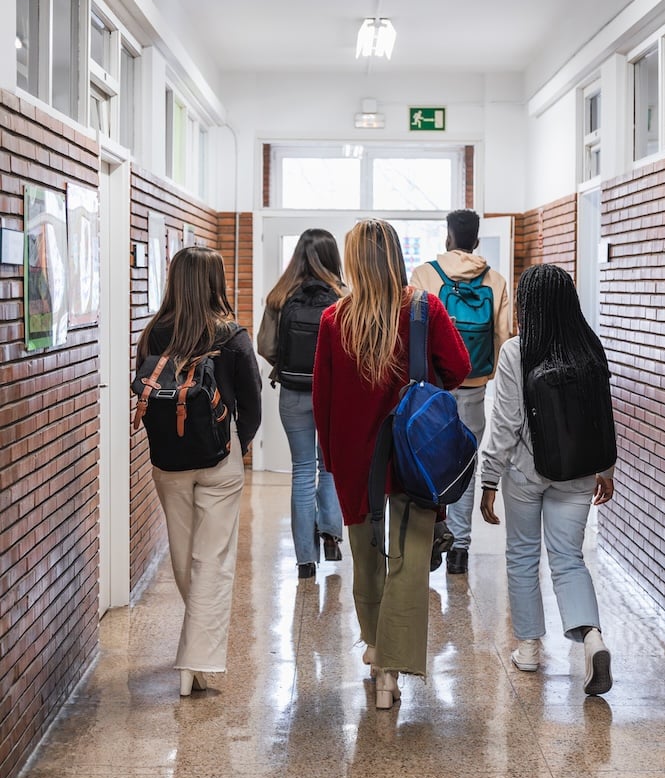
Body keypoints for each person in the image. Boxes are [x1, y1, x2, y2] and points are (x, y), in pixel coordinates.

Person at [312, 219, 470, 709]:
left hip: (357, 456)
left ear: (355, 261)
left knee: (366, 559)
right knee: (409, 560)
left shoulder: (335, 319)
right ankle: (390, 676)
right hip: (414, 454)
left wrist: (333, 458)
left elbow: (322, 401)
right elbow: (461, 367)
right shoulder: (424, 308)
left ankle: (376, 647)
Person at [479, 264, 615, 697]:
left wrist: (488, 478)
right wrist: (606, 470)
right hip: (577, 472)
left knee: (522, 555)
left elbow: (504, 422)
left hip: (525, 471)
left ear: (527, 305)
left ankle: (530, 648)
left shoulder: (518, 351)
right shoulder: (590, 349)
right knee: (568, 558)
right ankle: (592, 639)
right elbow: (603, 420)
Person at [136, 246, 262, 697]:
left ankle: (197, 656)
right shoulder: (230, 335)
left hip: (167, 461)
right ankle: (197, 660)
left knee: (184, 552)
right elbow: (251, 404)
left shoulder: (153, 333)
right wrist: (237, 445)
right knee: (214, 559)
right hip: (218, 458)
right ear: (215, 282)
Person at [410, 209, 510, 574]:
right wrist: (485, 374)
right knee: (465, 466)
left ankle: (434, 537)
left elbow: (414, 331)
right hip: (473, 388)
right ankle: (461, 549)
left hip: (432, 388)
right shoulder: (496, 281)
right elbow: (502, 336)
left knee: (424, 462)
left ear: (448, 238)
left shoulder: (424, 275)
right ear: (477, 241)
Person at [258, 229, 345, 579]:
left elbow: (265, 346)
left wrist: (285, 363)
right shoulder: (342, 297)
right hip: (332, 396)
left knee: (303, 470)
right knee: (329, 467)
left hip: (293, 394)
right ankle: (331, 533)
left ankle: (305, 560)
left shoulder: (279, 297)